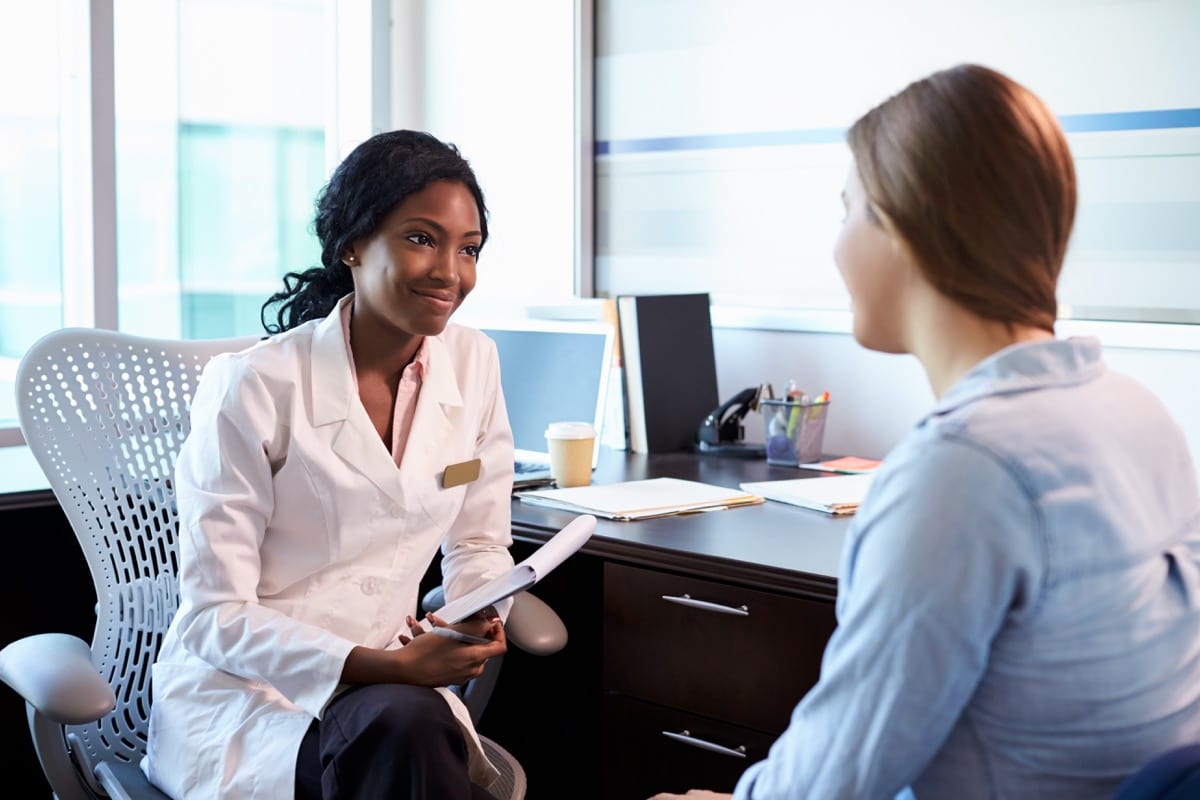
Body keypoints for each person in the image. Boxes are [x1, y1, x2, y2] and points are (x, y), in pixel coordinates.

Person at [651, 64, 1200, 800]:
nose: (837, 245)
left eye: (847, 210)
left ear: (908, 225)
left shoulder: (963, 469)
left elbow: (837, 779)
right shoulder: (1133, 409)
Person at [142, 130, 518, 799]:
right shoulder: (254, 386)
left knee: (404, 731)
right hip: (248, 696)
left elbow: (481, 542)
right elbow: (213, 616)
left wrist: (475, 613)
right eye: (421, 238)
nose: (450, 272)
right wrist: (390, 669)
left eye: (469, 249)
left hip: (394, 696)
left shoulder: (475, 363)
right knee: (405, 732)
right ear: (352, 244)